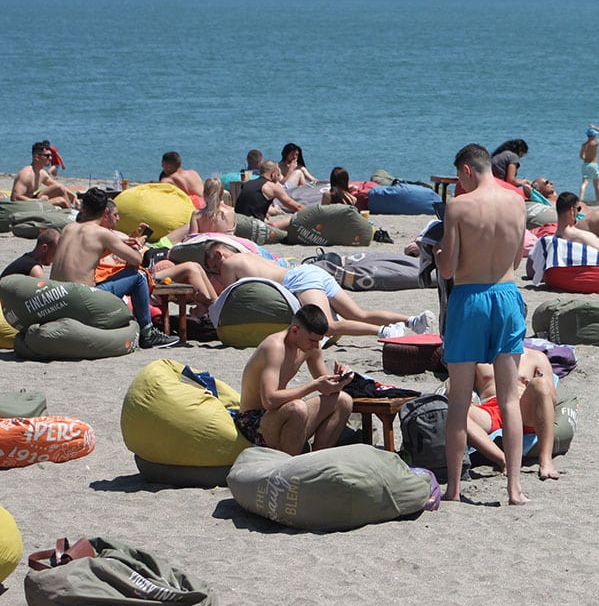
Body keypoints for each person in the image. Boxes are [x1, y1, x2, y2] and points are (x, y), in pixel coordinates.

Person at [436, 143, 531, 505]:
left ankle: (455, 489)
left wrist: (438, 253)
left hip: (470, 299)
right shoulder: (518, 202)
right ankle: (514, 489)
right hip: (507, 296)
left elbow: (448, 268)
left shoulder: (458, 206)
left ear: (466, 171)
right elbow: (519, 261)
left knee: (459, 399)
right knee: (508, 399)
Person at [203, 242, 433, 339]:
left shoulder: (228, 265)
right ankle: (412, 320)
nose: (216, 272)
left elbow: (226, 297)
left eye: (214, 267)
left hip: (300, 280)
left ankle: (384, 332)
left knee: (327, 326)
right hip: (310, 272)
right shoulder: (250, 255)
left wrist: (205, 301)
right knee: (358, 314)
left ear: (219, 254)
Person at [49, 187, 179, 348]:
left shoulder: (68, 229)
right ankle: (148, 334)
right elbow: (137, 259)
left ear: (83, 208)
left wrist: (121, 243)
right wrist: (138, 243)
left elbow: (89, 253)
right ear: (105, 212)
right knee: (139, 276)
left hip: (58, 296)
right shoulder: (102, 234)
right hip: (84, 299)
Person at [235, 304, 353, 455]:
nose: (316, 345)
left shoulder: (311, 347)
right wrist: (313, 386)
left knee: (343, 400)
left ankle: (316, 460)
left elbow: (327, 389)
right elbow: (269, 401)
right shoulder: (275, 347)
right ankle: (292, 470)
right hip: (253, 421)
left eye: (319, 341)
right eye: (312, 340)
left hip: (281, 414)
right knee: (297, 408)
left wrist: (342, 379)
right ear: (295, 330)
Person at [469, 350, 561, 481]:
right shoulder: (477, 356)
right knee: (455, 411)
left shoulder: (536, 357)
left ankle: (546, 461)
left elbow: (552, 400)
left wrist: (535, 384)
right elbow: (456, 386)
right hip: (491, 409)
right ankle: (503, 459)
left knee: (540, 383)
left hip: (522, 407)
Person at [233, 160, 302, 228]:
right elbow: (296, 207)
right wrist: (310, 213)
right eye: (278, 175)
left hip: (239, 223)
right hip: (254, 228)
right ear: (273, 173)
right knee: (291, 219)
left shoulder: (248, 183)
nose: (278, 179)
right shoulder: (271, 186)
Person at [11, 141, 76, 209]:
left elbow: (58, 186)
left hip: (33, 200)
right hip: (24, 206)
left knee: (59, 188)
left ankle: (71, 210)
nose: (50, 158)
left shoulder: (42, 173)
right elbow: (15, 198)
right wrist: (38, 201)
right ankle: (71, 212)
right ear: (37, 157)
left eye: (51, 155)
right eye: (47, 156)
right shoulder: (26, 174)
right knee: (61, 201)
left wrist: (74, 196)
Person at [578, 125, 599, 204]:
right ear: (593, 136)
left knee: (584, 182)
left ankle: (581, 198)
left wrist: (586, 159)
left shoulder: (584, 145)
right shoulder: (595, 143)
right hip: (594, 164)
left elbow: (581, 156)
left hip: (586, 164)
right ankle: (598, 200)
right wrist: (595, 127)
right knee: (596, 184)